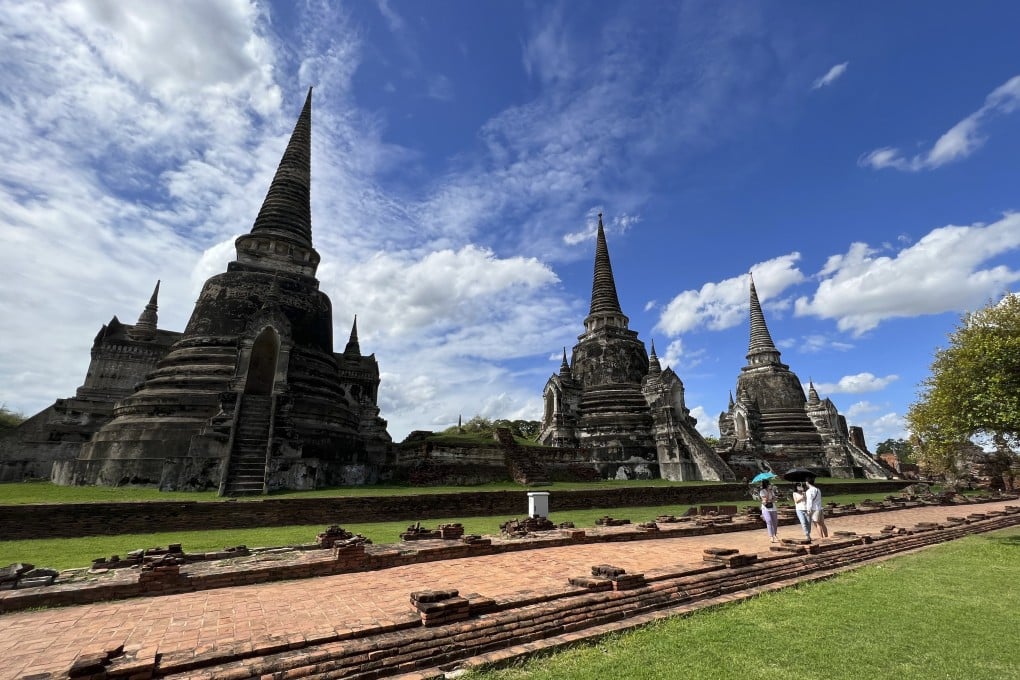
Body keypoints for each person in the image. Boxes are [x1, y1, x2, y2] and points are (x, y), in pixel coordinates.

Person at [759, 478, 779, 543]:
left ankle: (775, 535)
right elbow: (765, 500)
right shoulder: (762, 491)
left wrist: (774, 496)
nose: (770, 485)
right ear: (766, 485)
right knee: (769, 521)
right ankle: (771, 536)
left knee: (775, 522)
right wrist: (768, 492)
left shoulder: (772, 491)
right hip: (765, 508)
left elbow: (773, 499)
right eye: (768, 484)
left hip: (773, 508)